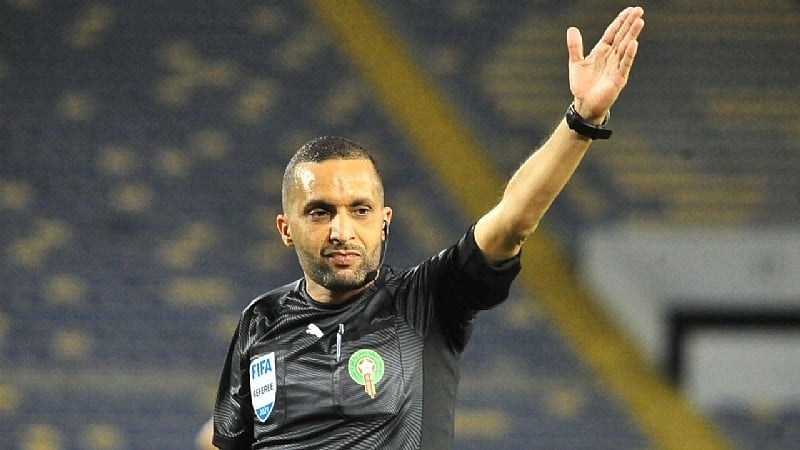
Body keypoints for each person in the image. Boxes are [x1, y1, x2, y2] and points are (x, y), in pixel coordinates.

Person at [209, 6, 645, 449]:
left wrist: (581, 121)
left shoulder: (427, 300)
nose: (342, 230)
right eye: (320, 212)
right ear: (286, 229)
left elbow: (512, 220)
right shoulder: (260, 321)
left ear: (384, 222)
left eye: (360, 210)